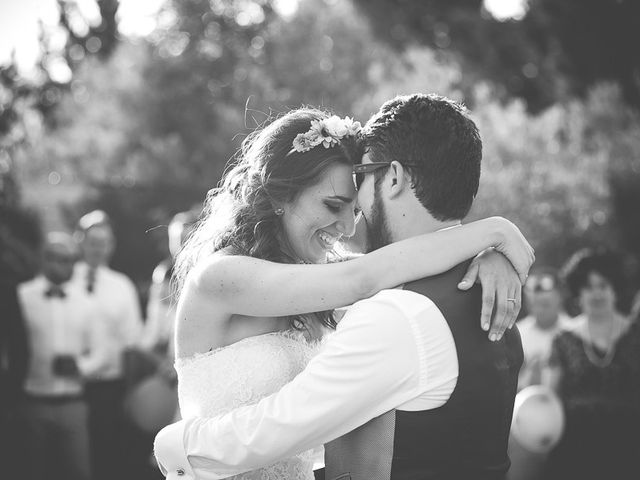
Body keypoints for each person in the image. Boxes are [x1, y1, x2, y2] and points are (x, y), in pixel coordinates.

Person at [154, 96, 533, 479]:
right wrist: (493, 231)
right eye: (333, 206)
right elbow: (365, 277)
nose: (349, 228)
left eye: (353, 209)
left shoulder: (319, 280)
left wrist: (487, 255)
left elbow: (394, 267)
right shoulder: (222, 277)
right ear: (281, 195)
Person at [17, 232, 108, 480]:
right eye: (55, 258)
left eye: (68, 259)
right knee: (31, 471)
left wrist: (80, 366)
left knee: (78, 472)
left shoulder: (86, 302)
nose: (61, 264)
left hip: (73, 404)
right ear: (42, 259)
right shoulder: (21, 297)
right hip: (31, 402)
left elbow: (102, 352)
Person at [543, 248, 640, 480]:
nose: (596, 294)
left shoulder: (635, 334)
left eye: (603, 285)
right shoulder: (562, 340)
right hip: (575, 451)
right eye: (588, 287)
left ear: (615, 289)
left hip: (629, 449)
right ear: (578, 293)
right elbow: (550, 397)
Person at [73, 210, 144, 480]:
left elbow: (131, 341)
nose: (98, 250)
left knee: (105, 456)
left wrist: (128, 390)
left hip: (107, 389)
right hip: (67, 386)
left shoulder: (122, 286)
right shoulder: (64, 279)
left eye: (104, 244)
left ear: (111, 246)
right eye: (93, 242)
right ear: (80, 242)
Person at [517, 268, 572, 390]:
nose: (538, 295)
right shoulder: (517, 334)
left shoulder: (573, 332)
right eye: (532, 289)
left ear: (560, 294)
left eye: (543, 288)